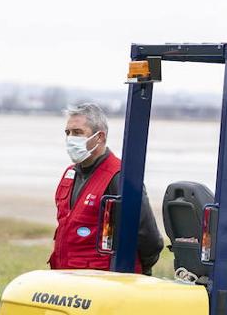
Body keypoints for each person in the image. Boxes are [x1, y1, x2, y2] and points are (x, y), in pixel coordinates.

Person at [50, 102, 163, 274]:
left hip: (102, 283)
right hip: (66, 279)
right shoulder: (70, 174)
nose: (71, 138)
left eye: (78, 133)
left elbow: (149, 239)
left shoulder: (120, 177)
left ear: (100, 137)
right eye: (68, 133)